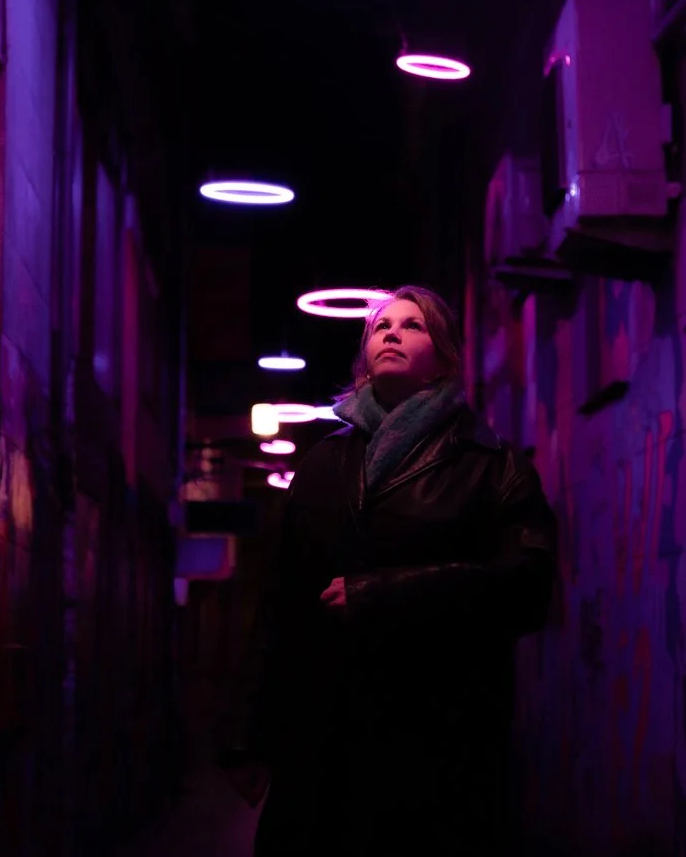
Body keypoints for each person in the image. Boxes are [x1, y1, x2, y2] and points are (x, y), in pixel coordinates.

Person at [219, 285, 558, 857]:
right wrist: (247, 737)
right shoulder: (324, 463)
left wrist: (388, 596)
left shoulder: (491, 465)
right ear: (365, 358)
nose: (392, 333)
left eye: (412, 325)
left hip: (438, 746)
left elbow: (527, 587)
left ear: (445, 358)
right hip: (321, 745)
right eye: (381, 327)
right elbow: (281, 602)